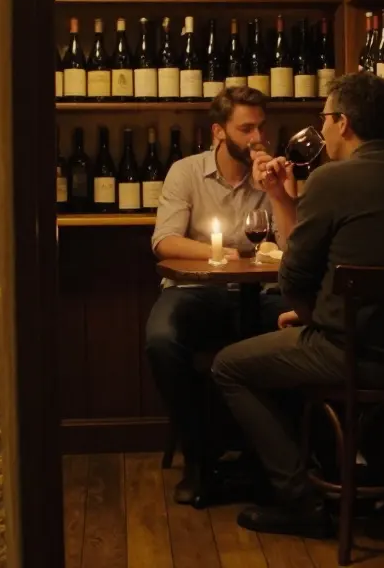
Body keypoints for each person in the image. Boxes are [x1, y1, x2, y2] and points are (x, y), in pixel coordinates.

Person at [211, 73, 384, 538]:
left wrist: (311, 315)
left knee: (229, 366)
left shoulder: (332, 180)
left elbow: (293, 276)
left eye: (326, 119)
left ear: (344, 123)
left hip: (349, 353)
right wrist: (280, 198)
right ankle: (380, 482)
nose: (324, 129)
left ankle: (301, 502)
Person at [146, 86, 286, 505]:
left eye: (261, 127)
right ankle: (199, 457)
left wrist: (279, 192)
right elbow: (165, 242)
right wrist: (225, 252)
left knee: (311, 328)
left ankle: (276, 460)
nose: (257, 138)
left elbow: (292, 250)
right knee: (161, 340)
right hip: (197, 293)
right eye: (246, 128)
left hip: (260, 294)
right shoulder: (186, 172)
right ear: (219, 132)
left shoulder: (273, 176)